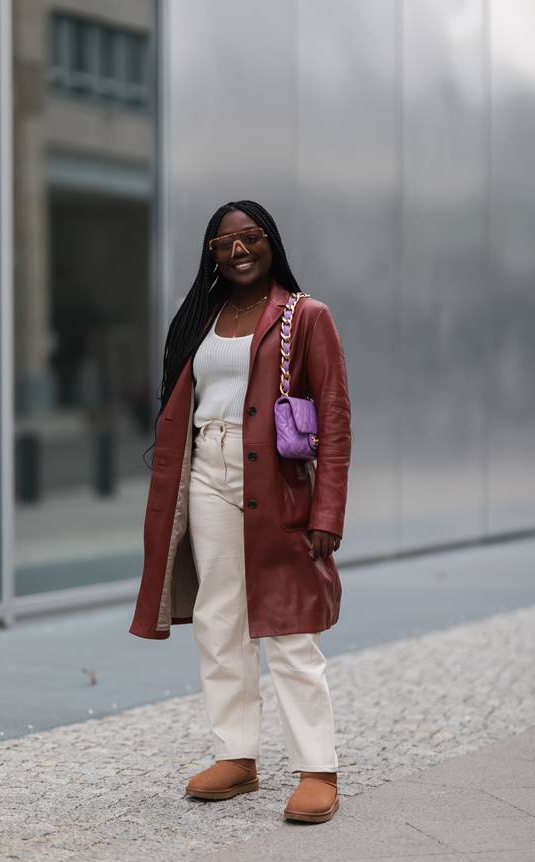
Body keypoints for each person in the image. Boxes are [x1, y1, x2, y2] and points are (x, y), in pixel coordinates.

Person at [129, 200, 352, 824]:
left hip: (278, 482)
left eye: (251, 237)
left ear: (271, 242)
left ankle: (317, 767)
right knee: (218, 616)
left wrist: (328, 510)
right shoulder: (203, 316)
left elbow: (334, 418)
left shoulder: (306, 317)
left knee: (287, 625)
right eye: (225, 243)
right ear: (212, 253)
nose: (239, 250)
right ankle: (237, 754)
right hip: (207, 471)